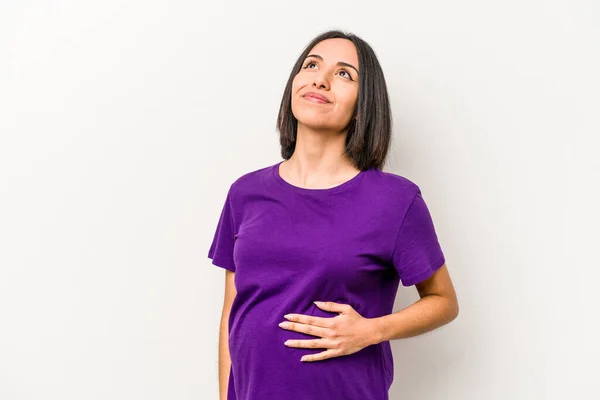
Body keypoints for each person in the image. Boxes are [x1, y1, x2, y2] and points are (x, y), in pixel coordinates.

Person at [207, 29, 459, 400]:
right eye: (311, 65)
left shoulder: (395, 200)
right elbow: (233, 314)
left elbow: (444, 302)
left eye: (344, 74)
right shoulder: (245, 194)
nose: (320, 79)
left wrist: (372, 331)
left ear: (362, 105)